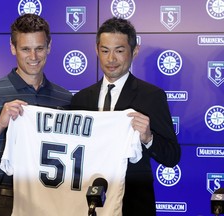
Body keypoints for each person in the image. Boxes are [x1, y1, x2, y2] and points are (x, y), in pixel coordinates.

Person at [0, 13, 72, 216]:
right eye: (25, 49)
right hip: (5, 201)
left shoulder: (64, 98)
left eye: (39, 48)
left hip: (56, 201)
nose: (33, 57)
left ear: (49, 47)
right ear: (13, 48)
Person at [70, 17, 181, 216]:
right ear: (96, 51)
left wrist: (148, 138)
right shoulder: (81, 99)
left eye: (119, 51)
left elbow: (172, 156)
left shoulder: (152, 96)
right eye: (105, 51)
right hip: (86, 204)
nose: (111, 59)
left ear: (134, 51)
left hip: (134, 204)